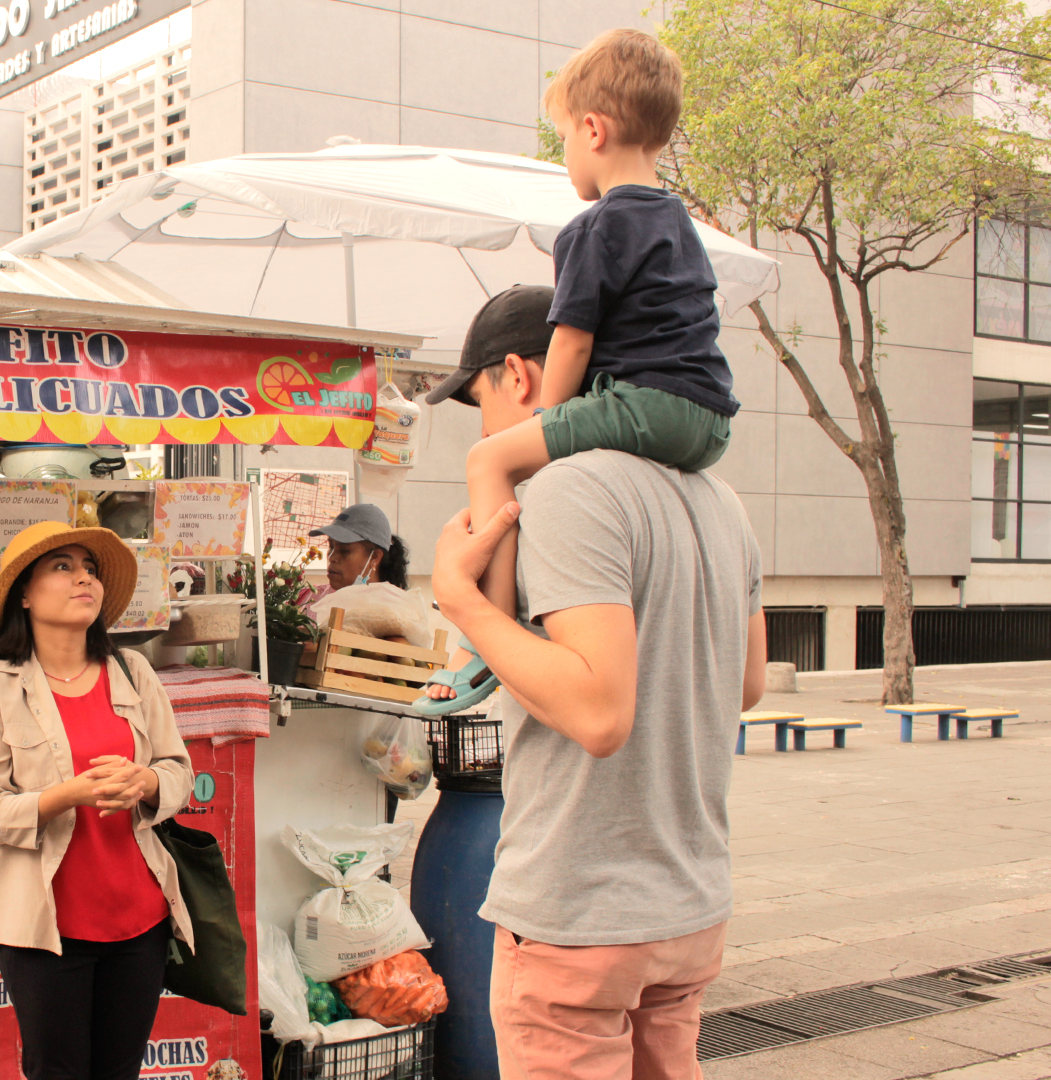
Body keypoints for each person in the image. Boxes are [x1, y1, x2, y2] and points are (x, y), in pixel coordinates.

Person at [427, 284, 767, 1080]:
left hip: (582, 913)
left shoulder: (570, 489)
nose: (484, 427)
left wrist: (465, 606)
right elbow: (746, 683)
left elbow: (596, 710)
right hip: (687, 908)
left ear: (517, 375)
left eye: (479, 399)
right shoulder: (722, 500)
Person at [420, 28, 738, 715]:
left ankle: (485, 644)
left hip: (647, 403)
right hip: (708, 422)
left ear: (592, 129)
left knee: (488, 460)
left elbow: (569, 345)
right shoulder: (683, 224)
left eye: (562, 135)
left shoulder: (592, 228)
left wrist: (546, 423)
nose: (565, 152)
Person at [0, 521, 194, 1080]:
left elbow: (178, 772)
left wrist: (147, 782)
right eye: (62, 566)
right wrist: (67, 795)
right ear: (25, 593)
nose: (83, 577)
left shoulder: (134, 673)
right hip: (46, 930)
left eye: (88, 568)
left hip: (139, 922)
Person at [309, 503, 410, 592]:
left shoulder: (389, 611)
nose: (332, 557)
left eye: (344, 550)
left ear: (374, 557)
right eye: (331, 546)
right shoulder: (313, 598)